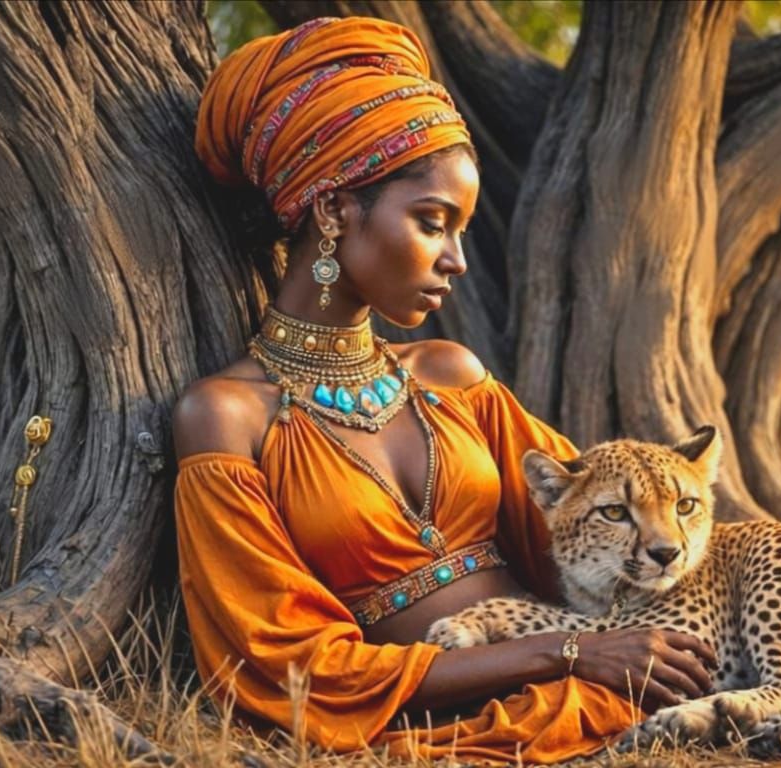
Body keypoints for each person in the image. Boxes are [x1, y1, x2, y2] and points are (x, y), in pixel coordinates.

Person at [174, 16, 717, 763]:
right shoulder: (224, 418)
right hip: (486, 710)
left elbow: (605, 517)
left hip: (597, 678)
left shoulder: (452, 376)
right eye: (433, 223)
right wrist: (559, 656)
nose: (457, 260)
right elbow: (289, 665)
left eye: (461, 229)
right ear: (334, 210)